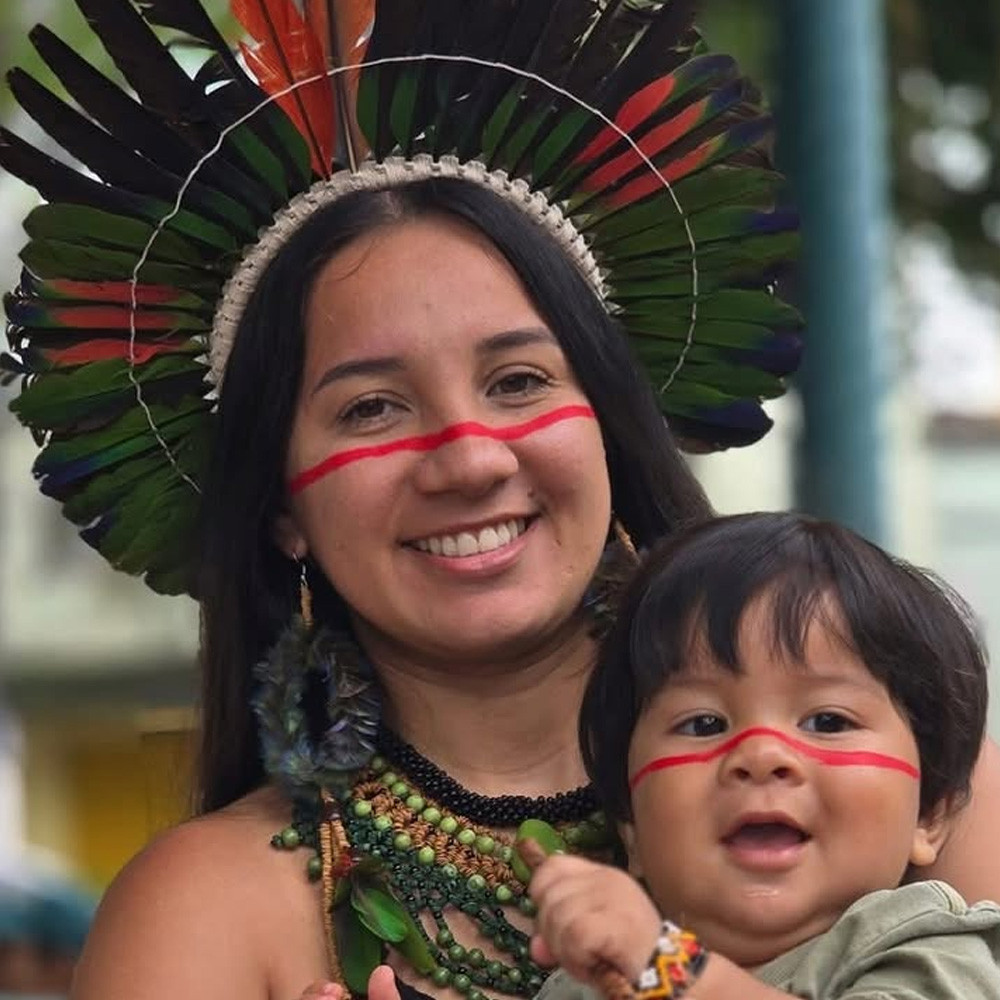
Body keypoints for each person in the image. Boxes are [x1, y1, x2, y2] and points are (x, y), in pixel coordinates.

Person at [1, 4, 1000, 1000]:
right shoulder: (204, 911)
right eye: (371, 408)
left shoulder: (900, 772)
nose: (469, 459)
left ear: (607, 425)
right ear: (282, 507)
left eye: (518, 381)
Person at [523, 512, 1000, 999]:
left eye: (828, 721)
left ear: (928, 814)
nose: (762, 753)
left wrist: (665, 966)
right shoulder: (586, 978)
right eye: (704, 724)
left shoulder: (930, 951)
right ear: (631, 828)